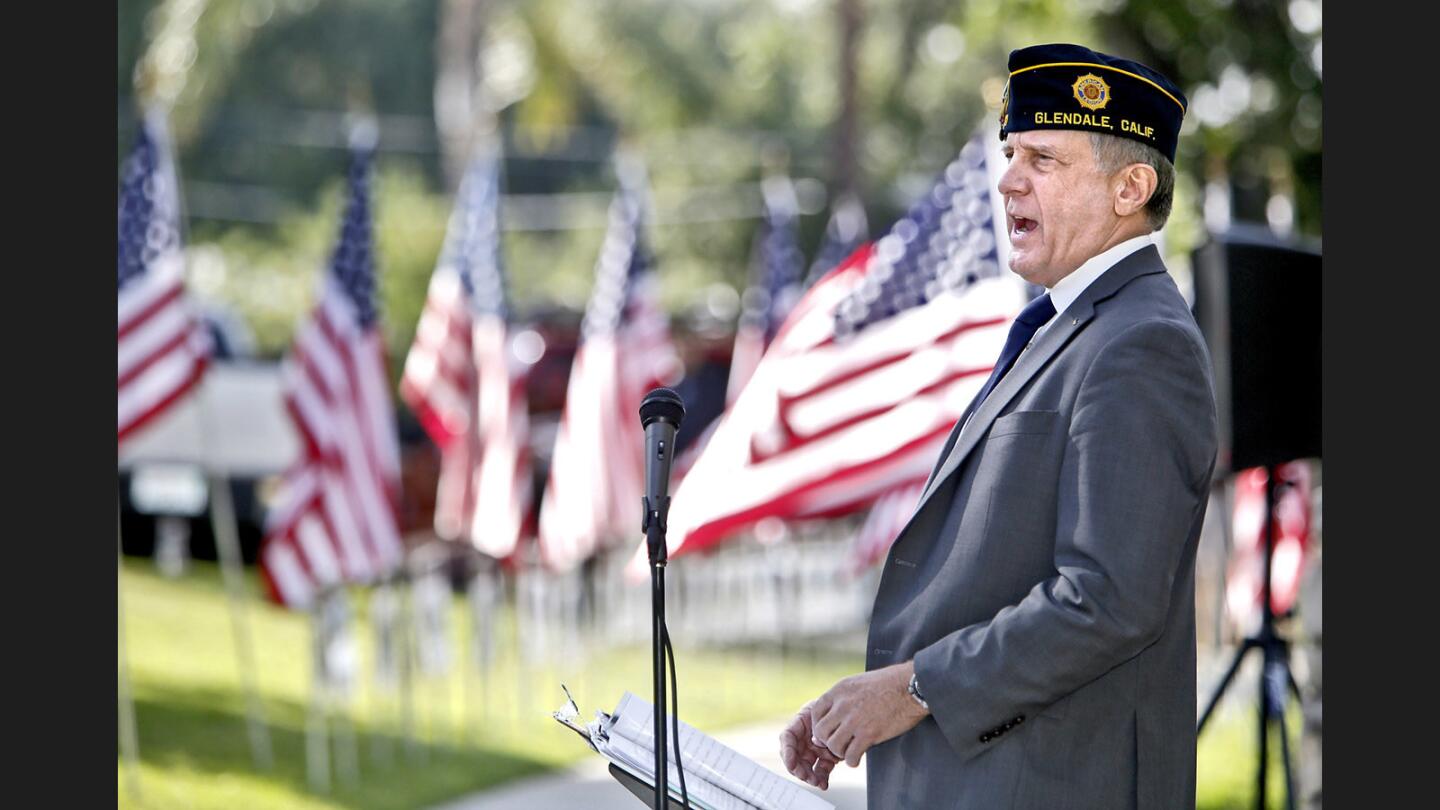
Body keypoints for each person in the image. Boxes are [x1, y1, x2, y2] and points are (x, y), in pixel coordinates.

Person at [780, 43, 1218, 808]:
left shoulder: (1141, 343)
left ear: (1131, 187)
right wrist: (867, 700)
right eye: (1011, 153)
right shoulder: (1069, 325)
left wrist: (913, 689)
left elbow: (1105, 600)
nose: (1009, 178)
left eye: (1043, 160)